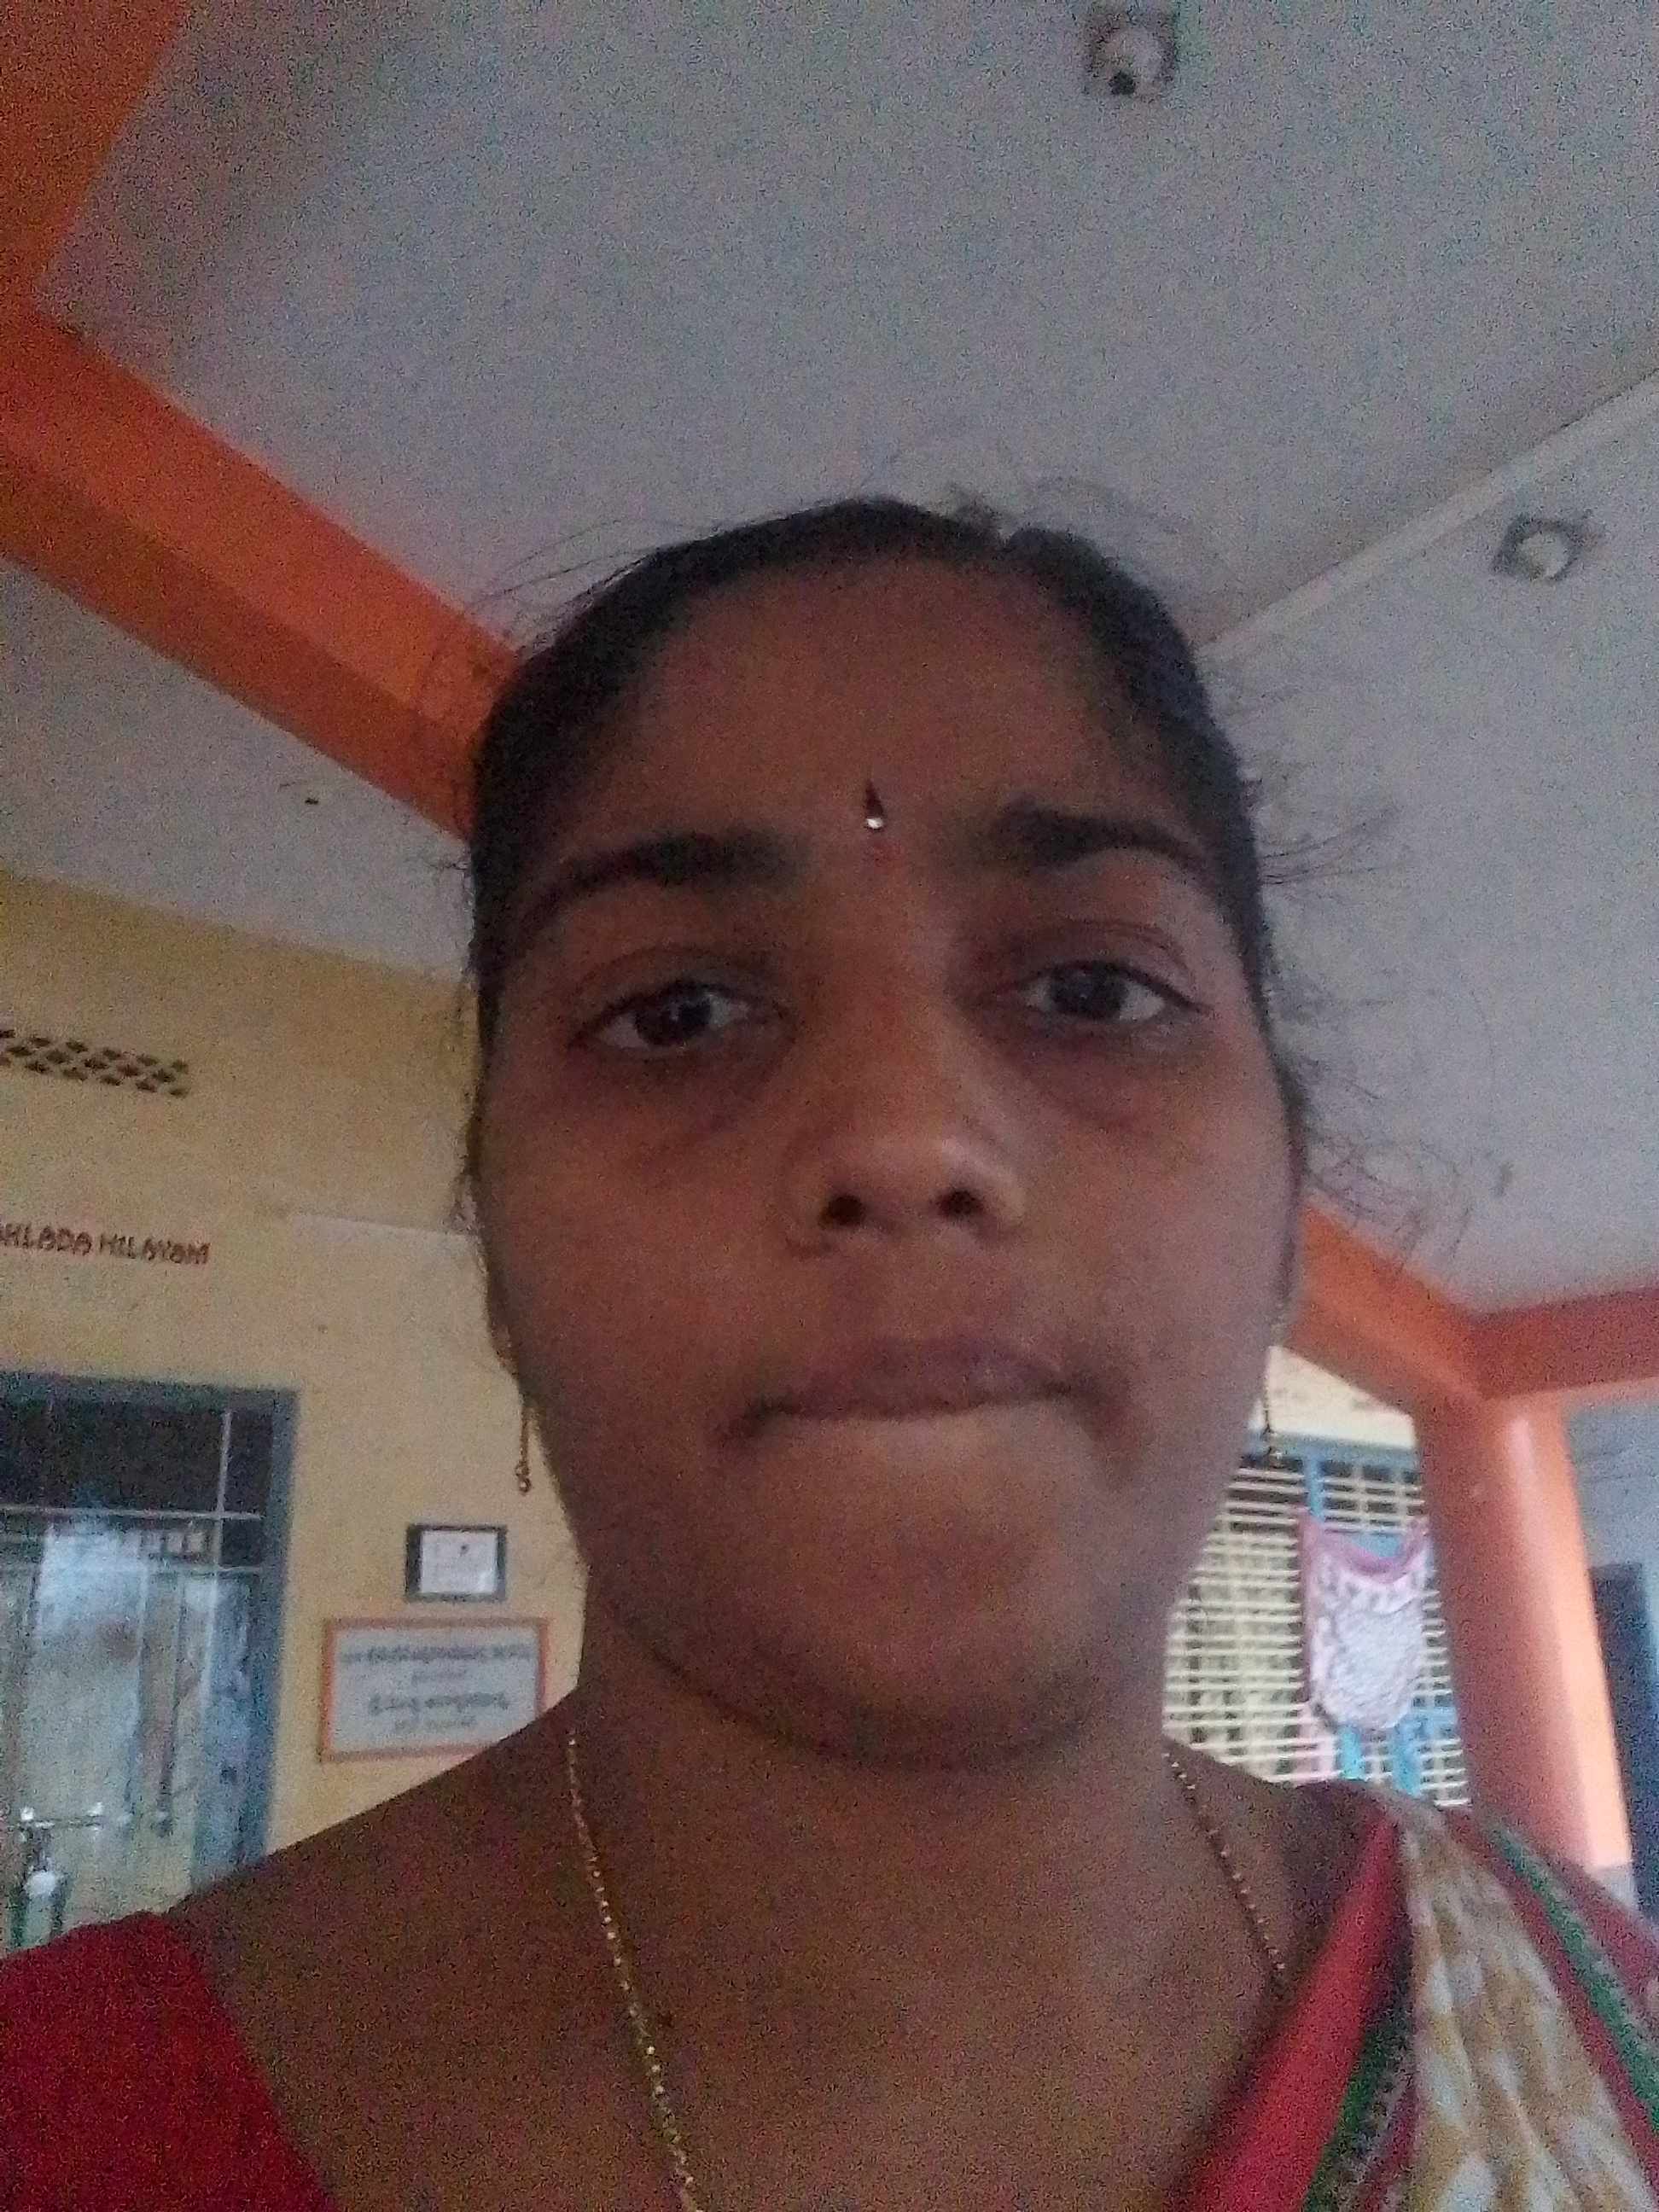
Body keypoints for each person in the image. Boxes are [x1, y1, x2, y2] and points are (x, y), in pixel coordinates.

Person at [3, 498, 1656, 2210]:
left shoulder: (1592, 2034)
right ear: (497, 1246)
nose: (904, 1138)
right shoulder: (58, 2131)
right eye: (677, 1015)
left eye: (1091, 992)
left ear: (1288, 1219)